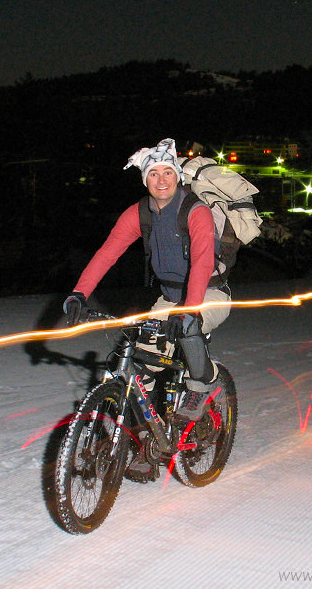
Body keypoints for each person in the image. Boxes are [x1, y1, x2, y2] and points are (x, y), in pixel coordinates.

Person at [63, 138, 231, 421]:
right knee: (137, 364)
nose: (161, 180)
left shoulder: (195, 211)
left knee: (190, 331)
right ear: (144, 180)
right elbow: (107, 254)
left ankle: (205, 383)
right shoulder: (139, 214)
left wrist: (189, 310)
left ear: (177, 176)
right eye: (153, 173)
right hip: (169, 298)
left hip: (209, 294)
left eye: (167, 172)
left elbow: (202, 262)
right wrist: (79, 293)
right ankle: (149, 434)